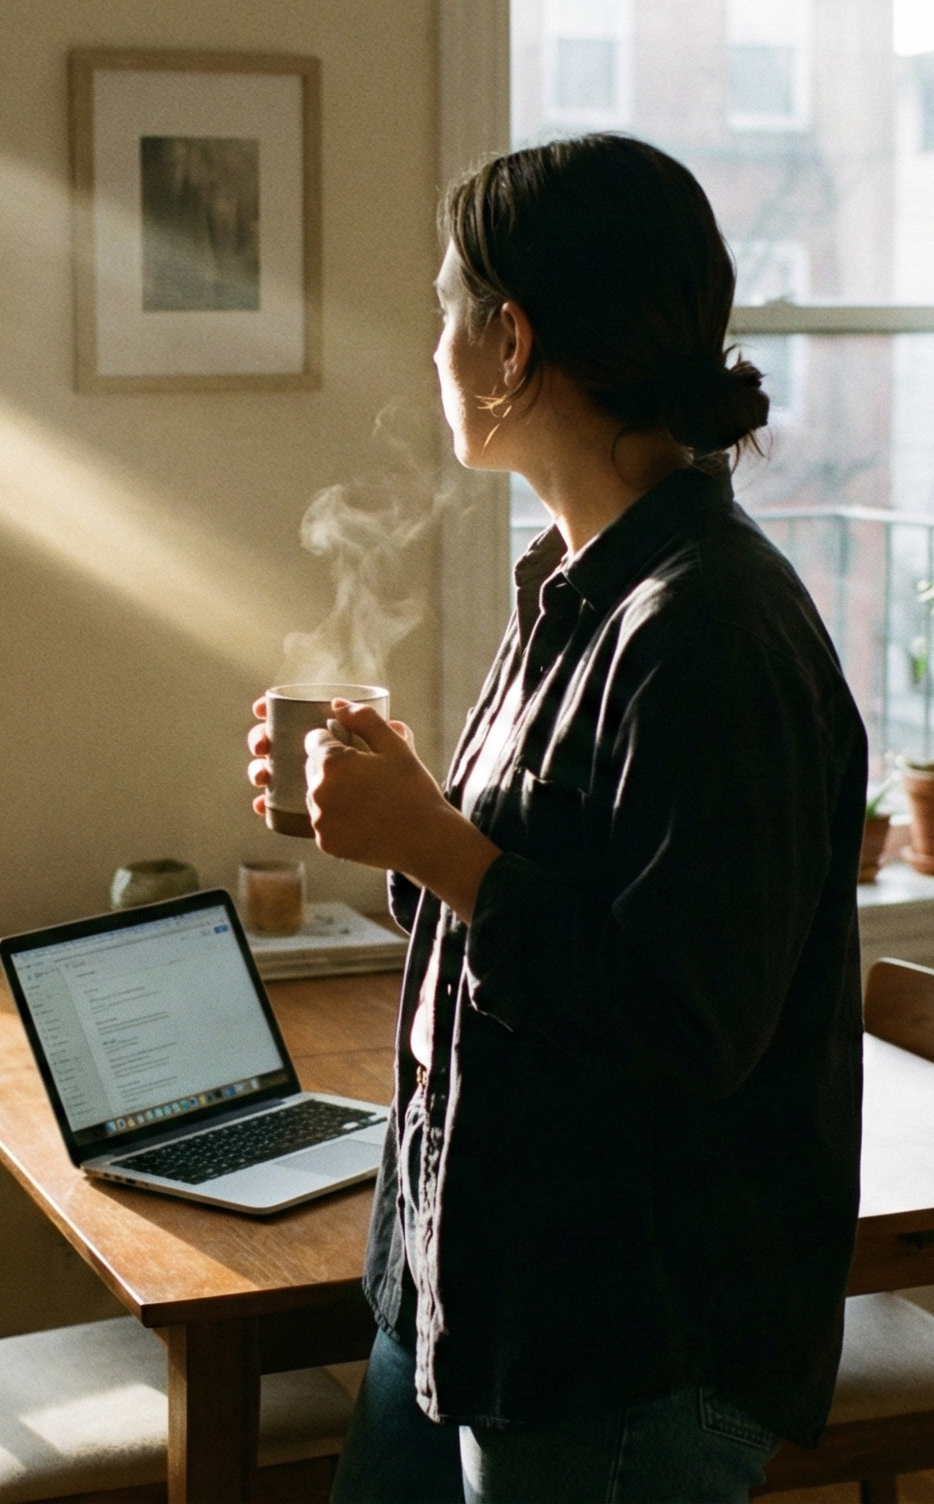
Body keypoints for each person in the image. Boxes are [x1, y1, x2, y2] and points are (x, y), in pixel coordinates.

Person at [242, 134, 870, 1503]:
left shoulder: (713, 633)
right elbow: (523, 900)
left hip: (627, 1339)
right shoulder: (571, 589)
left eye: (443, 311)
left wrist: (439, 845)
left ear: (513, 339)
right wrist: (409, 820)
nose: (430, 350)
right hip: (468, 1280)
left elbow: (686, 1024)